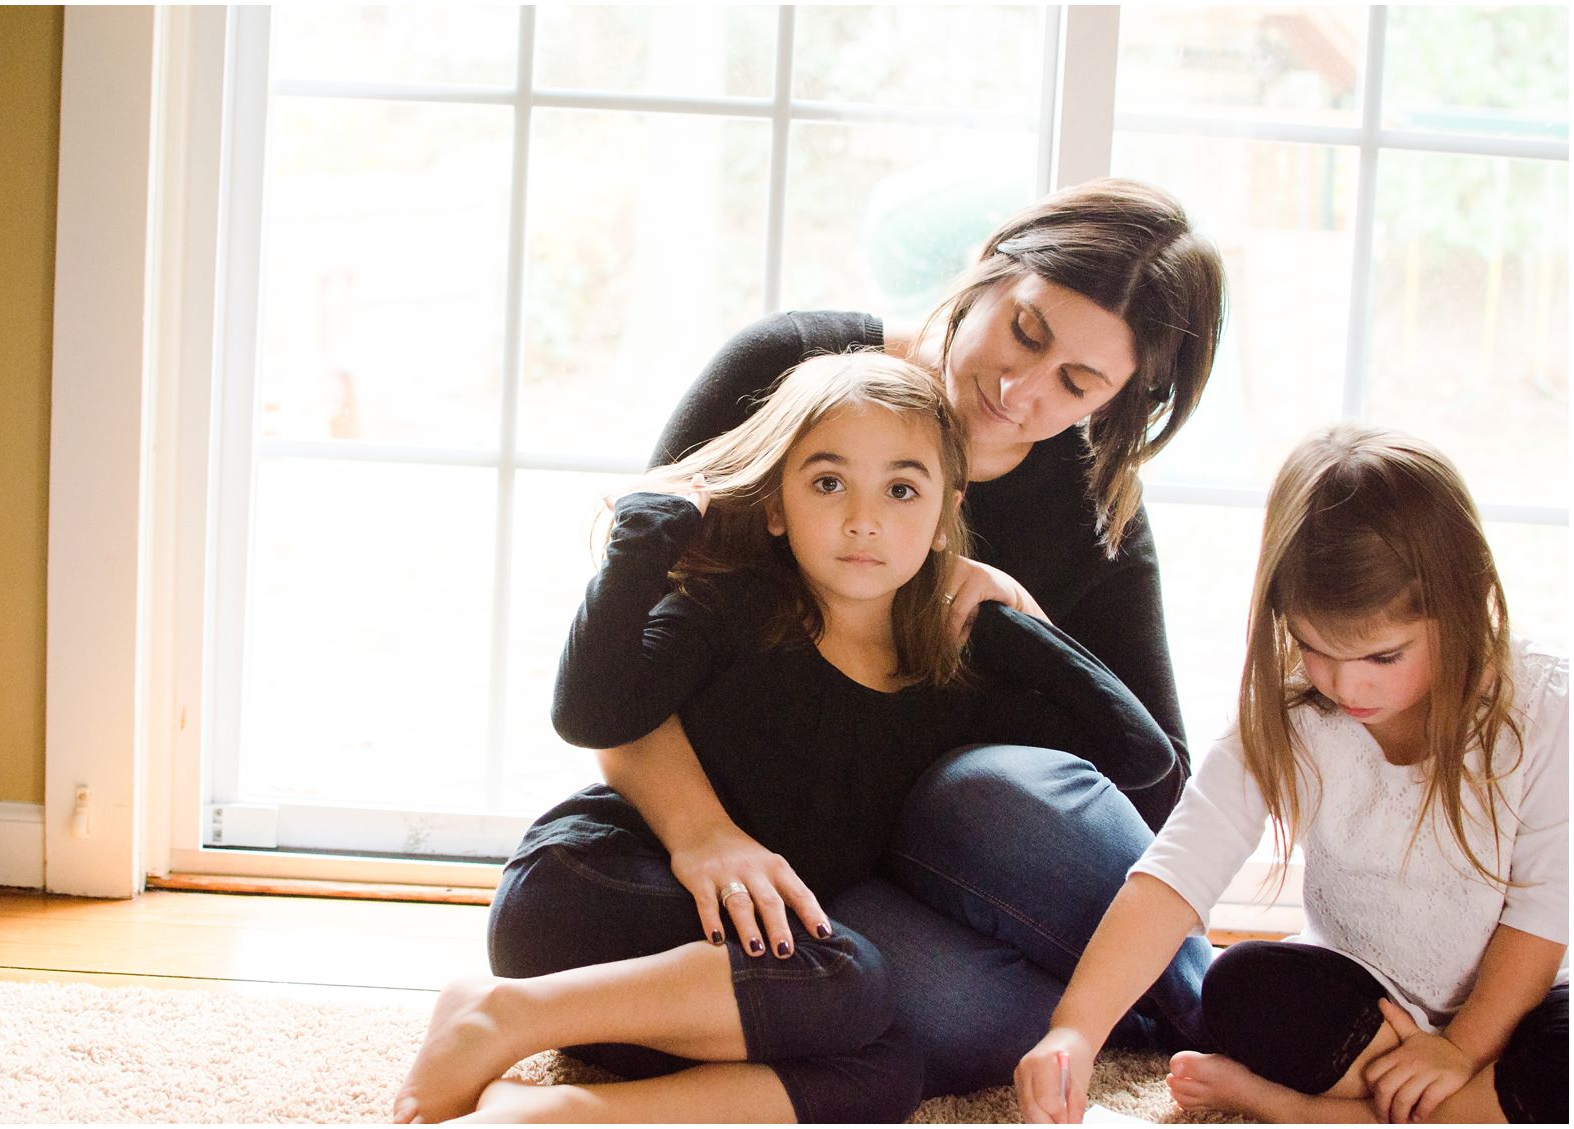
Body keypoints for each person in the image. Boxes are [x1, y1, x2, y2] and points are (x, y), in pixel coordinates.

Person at [393, 351, 1178, 1123]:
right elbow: (591, 713)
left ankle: (560, 1114)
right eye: (828, 482)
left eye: (903, 490)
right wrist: (641, 543)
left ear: (946, 511)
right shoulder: (732, 609)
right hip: (593, 893)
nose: (863, 519)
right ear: (776, 505)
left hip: (746, 984)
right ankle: (499, 1013)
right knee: (854, 981)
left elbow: (1140, 758)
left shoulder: (954, 672)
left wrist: (1021, 621)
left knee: (888, 1069)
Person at [601, 177, 1228, 1097]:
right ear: (987, 269)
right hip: (822, 876)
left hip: (976, 858)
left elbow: (1158, 783)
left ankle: (1222, 1013)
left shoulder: (1094, 504)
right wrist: (704, 837)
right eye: (1025, 331)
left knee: (985, 795)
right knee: (879, 1007)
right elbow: (612, 661)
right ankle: (1133, 1006)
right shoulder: (792, 371)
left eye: (1077, 383)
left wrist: (1032, 631)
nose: (1020, 389)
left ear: (1122, 398)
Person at [1015, 424, 1568, 1125]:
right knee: (1239, 985)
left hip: (1514, 1011)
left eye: (1383, 656)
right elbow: (1177, 870)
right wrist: (1077, 1027)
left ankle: (1291, 1108)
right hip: (1361, 1008)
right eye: (1312, 644)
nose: (1344, 683)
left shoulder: (1546, 704)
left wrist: (1460, 1048)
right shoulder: (1291, 708)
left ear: (1467, 603)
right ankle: (1445, 1111)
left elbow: (1542, 914)